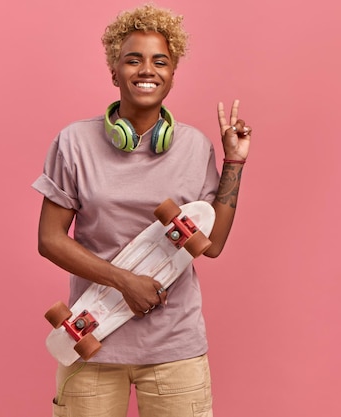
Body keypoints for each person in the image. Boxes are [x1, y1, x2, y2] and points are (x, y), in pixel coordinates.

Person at [32, 4, 252, 417]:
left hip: (175, 349)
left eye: (159, 61)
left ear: (172, 74)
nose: (146, 70)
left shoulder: (194, 146)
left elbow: (213, 244)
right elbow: (49, 239)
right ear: (114, 71)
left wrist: (234, 162)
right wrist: (124, 282)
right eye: (133, 59)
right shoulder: (74, 143)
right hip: (91, 345)